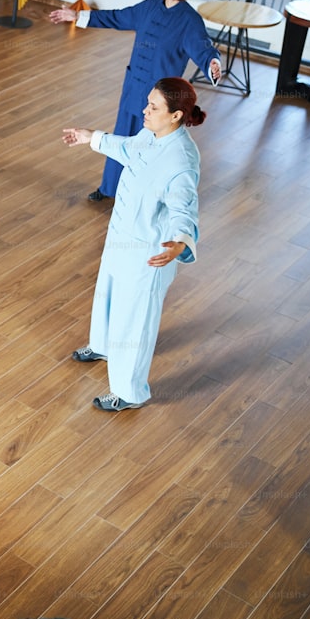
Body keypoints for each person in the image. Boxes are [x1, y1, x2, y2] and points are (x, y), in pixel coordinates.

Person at [61, 77, 204, 411]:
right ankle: (103, 344)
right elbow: (126, 150)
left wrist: (179, 244)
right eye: (148, 102)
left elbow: (184, 209)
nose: (145, 110)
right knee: (108, 294)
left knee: (135, 319)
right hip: (121, 235)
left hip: (148, 253)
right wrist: (90, 138)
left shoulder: (182, 159)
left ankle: (128, 391)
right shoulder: (150, 135)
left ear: (176, 116)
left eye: (154, 107)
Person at [49, 0, 220, 202]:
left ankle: (139, 196)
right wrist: (78, 16)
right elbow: (117, 17)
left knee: (147, 145)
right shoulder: (149, 7)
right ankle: (109, 188)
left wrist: (212, 64)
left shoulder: (190, 20)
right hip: (134, 84)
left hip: (161, 98)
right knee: (121, 134)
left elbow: (204, 49)